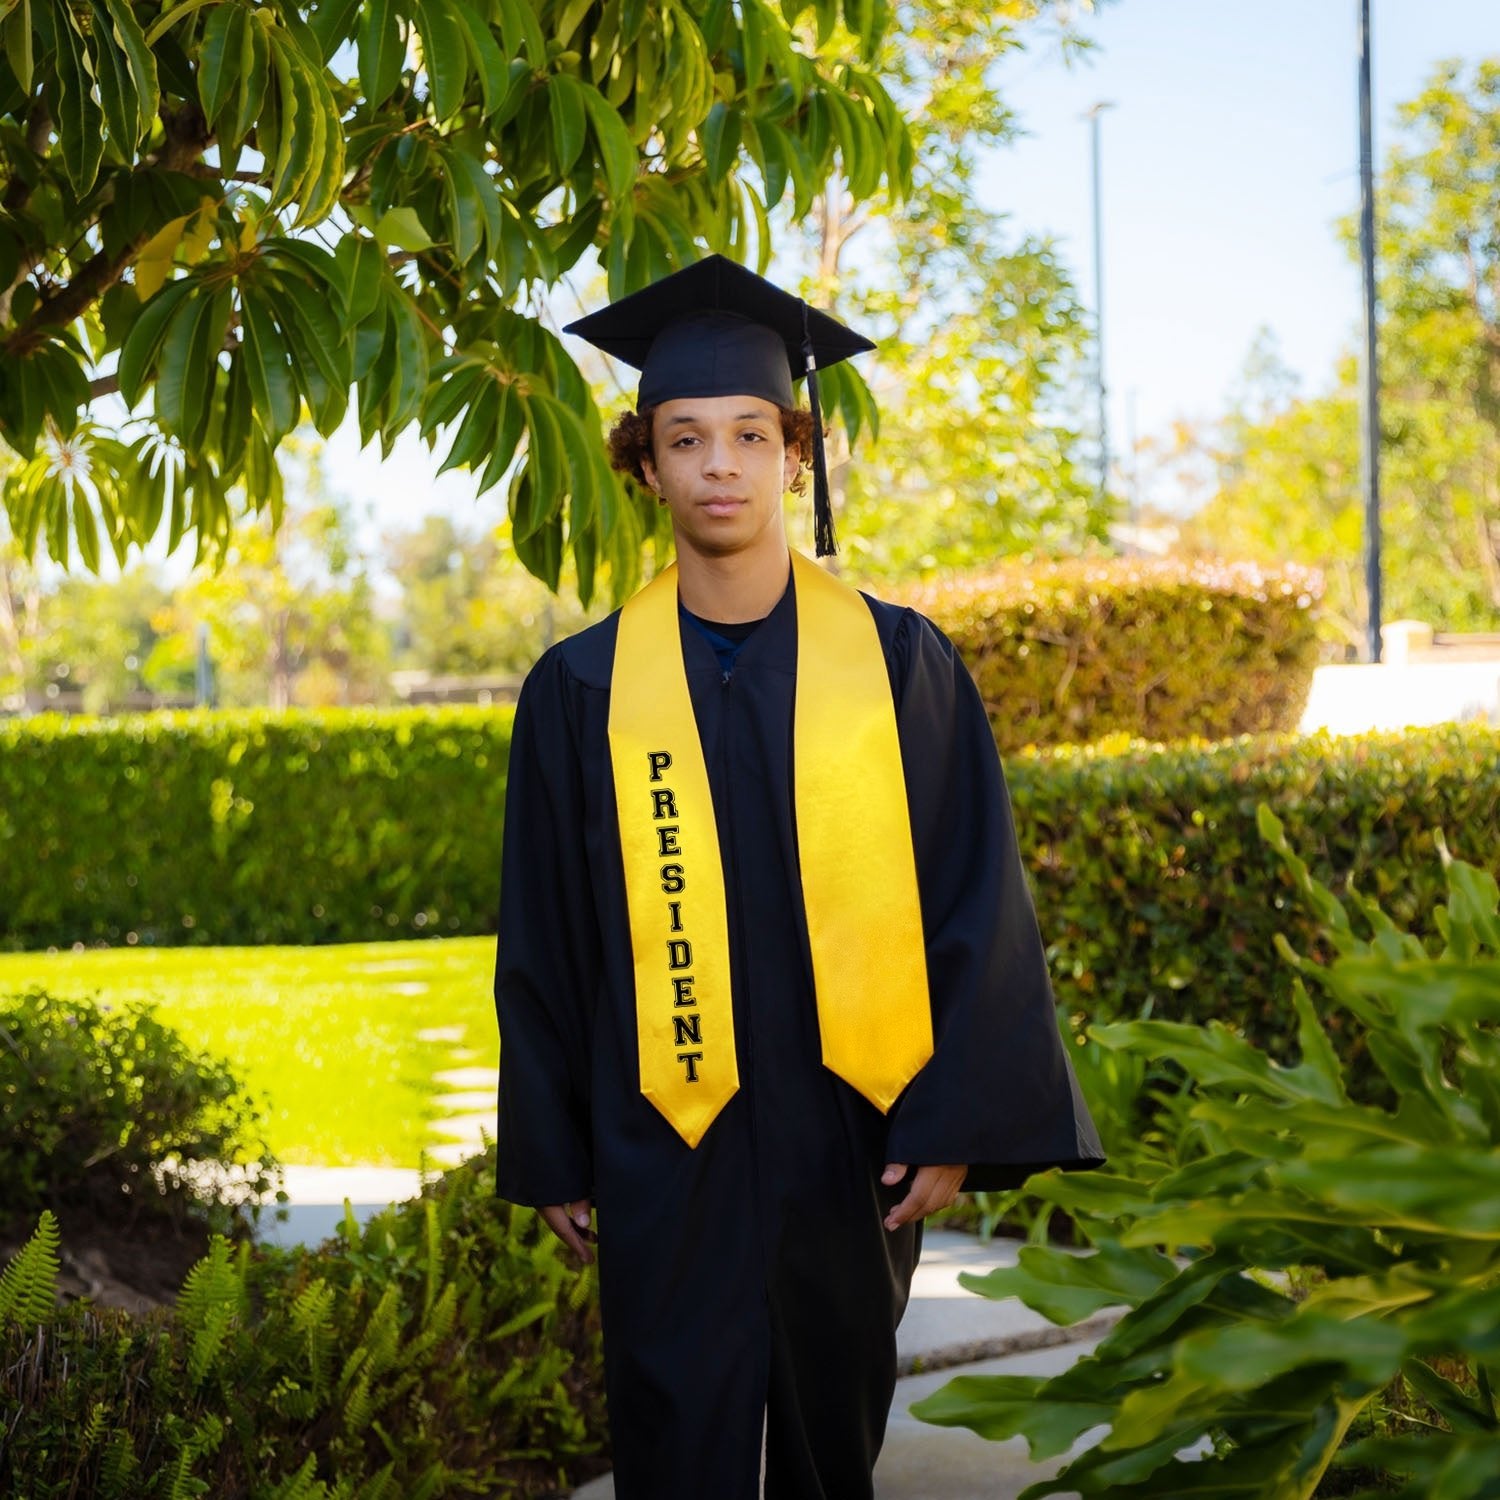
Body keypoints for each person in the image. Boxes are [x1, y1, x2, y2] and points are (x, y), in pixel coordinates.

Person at [493, 254, 1103, 1500]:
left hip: (852, 1131)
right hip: (666, 1123)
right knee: (673, 1436)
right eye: (685, 437)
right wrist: (554, 1145)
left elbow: (972, 893)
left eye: (748, 434)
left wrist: (950, 1124)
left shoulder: (898, 663)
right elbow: (546, 929)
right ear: (645, 464)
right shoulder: (581, 691)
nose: (718, 463)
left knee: (835, 1437)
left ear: (795, 455)